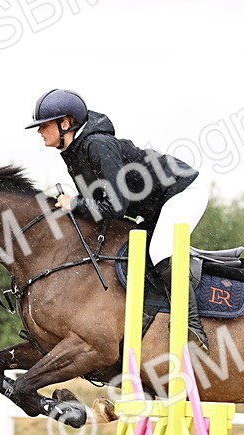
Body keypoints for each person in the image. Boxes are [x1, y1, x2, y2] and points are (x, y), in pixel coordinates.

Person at [26, 88, 210, 350]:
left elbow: (114, 204)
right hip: (154, 206)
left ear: (65, 123)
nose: (39, 131)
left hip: (182, 192)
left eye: (44, 125)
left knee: (159, 251)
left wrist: (75, 202)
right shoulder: (74, 151)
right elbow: (97, 202)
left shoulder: (97, 144)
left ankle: (192, 326)